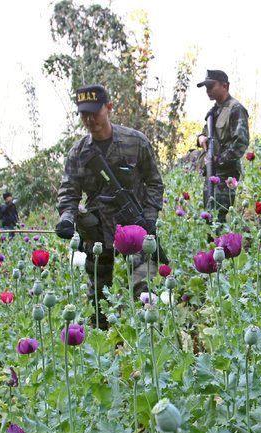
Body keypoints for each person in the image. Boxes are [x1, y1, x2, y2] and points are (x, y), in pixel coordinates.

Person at [55, 84, 164, 329]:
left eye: (95, 112)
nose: (90, 119)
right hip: (97, 231)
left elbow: (154, 182)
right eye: (84, 114)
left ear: (109, 108)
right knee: (97, 296)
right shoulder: (79, 153)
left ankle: (151, 338)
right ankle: (102, 345)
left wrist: (148, 218)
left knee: (143, 288)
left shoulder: (135, 142)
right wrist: (66, 218)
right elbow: (69, 191)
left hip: (135, 228)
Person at [196, 70, 249, 223]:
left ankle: (220, 247)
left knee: (218, 219)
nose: (207, 91)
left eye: (211, 86)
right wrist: (200, 137)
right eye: (206, 87)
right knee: (208, 220)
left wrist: (218, 159)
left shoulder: (235, 109)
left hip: (225, 174)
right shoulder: (214, 112)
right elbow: (205, 134)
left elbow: (241, 143)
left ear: (225, 86)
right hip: (211, 173)